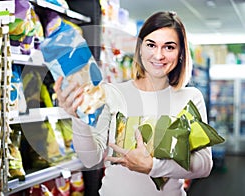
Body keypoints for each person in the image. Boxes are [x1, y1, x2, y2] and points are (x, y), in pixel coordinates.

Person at [54, 11, 213, 196]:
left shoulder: (189, 97)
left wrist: (152, 166)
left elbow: (204, 164)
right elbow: (91, 159)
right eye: (151, 45)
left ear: (181, 54)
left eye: (169, 47)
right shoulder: (113, 93)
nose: (158, 55)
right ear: (139, 49)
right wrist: (78, 118)